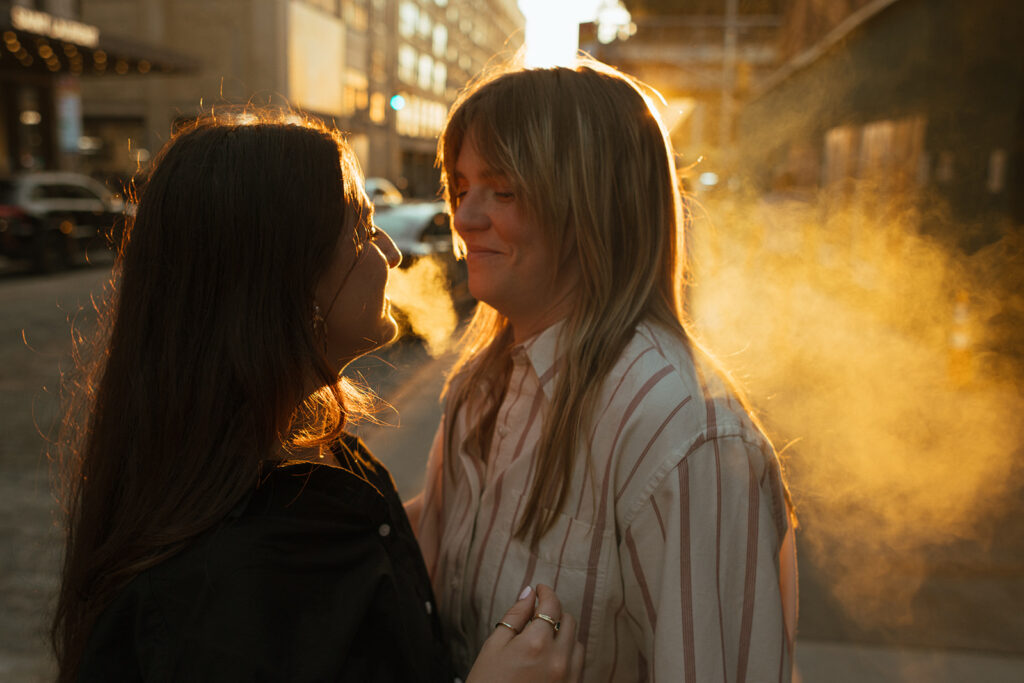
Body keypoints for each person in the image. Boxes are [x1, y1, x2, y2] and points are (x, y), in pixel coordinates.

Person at [50, 112, 582, 682]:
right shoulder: (217, 588)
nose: (390, 253)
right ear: (291, 280)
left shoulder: (309, 453)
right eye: (363, 230)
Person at [408, 59, 799, 682]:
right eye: (460, 188)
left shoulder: (684, 436)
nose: (463, 218)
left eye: (502, 191)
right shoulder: (483, 385)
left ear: (592, 205)